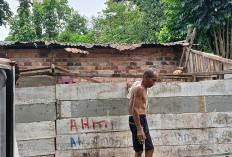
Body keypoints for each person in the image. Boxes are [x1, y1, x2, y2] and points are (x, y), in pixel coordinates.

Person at [128, 69, 158, 157]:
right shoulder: (140, 88)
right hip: (138, 119)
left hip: (137, 119)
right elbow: (135, 109)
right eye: (153, 80)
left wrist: (128, 87)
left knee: (139, 151)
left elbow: (130, 87)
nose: (154, 83)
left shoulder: (137, 84)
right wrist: (139, 129)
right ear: (146, 78)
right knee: (149, 149)